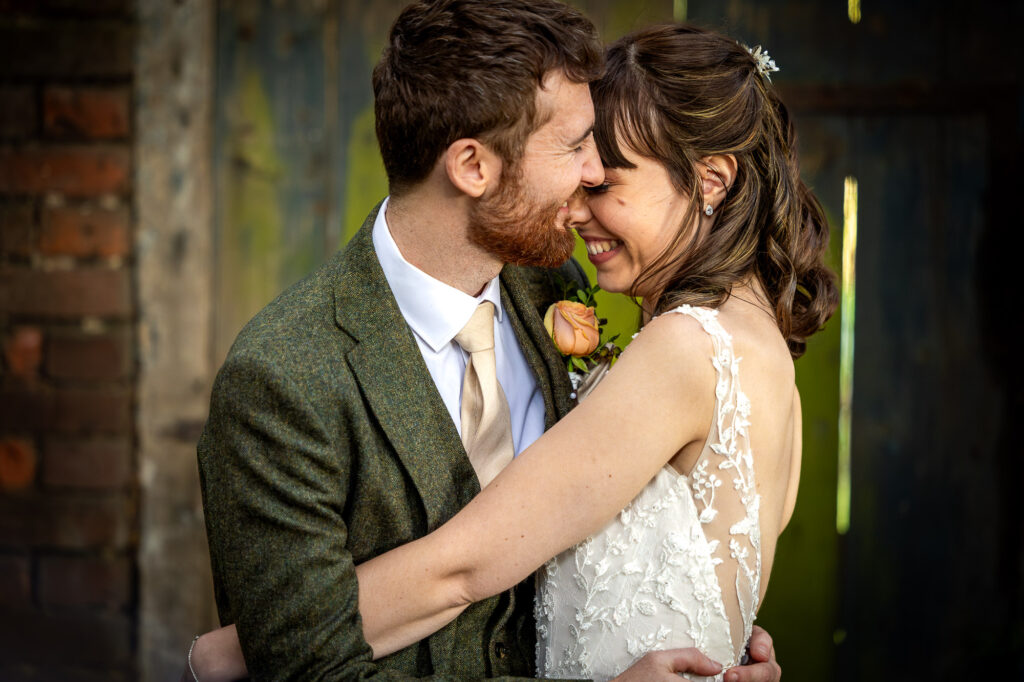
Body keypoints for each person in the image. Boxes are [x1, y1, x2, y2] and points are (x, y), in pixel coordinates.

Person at [191, 2, 782, 681]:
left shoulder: (555, 287)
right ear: (473, 166)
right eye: (574, 145)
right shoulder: (280, 379)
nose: (595, 171)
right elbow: (312, 670)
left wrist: (713, 626)